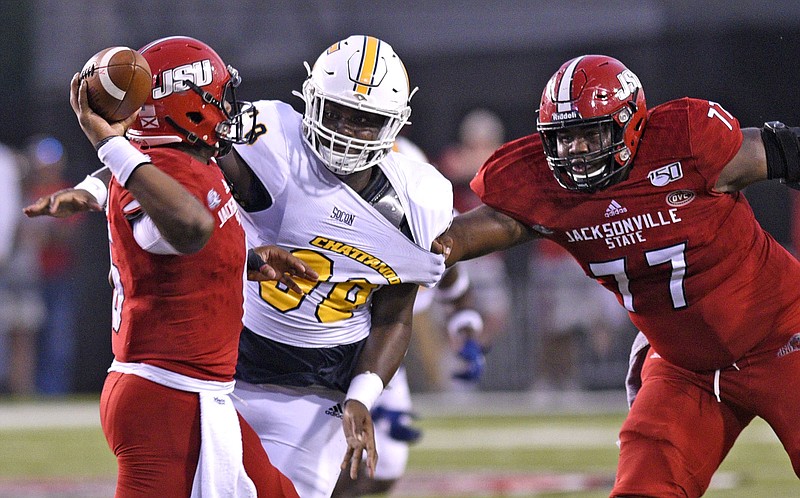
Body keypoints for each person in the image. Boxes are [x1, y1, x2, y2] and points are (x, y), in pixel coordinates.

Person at [436, 54, 800, 497]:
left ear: (630, 124)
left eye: (591, 134)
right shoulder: (543, 188)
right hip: (684, 367)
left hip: (782, 336)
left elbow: (786, 151)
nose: (576, 151)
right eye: (564, 138)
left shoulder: (686, 142)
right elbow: (451, 240)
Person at [24, 36, 316, 497]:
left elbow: (181, 249)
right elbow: (189, 227)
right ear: (187, 106)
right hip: (165, 397)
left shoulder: (177, 162)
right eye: (215, 97)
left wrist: (245, 261)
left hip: (192, 392)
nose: (225, 107)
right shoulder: (156, 172)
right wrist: (108, 145)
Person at [217, 35, 453, 498]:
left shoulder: (414, 199)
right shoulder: (274, 140)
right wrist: (106, 186)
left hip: (320, 383)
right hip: (229, 361)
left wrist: (360, 397)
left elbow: (393, 317)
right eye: (338, 112)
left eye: (366, 120)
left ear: (394, 124)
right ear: (310, 101)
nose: (347, 129)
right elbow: (181, 158)